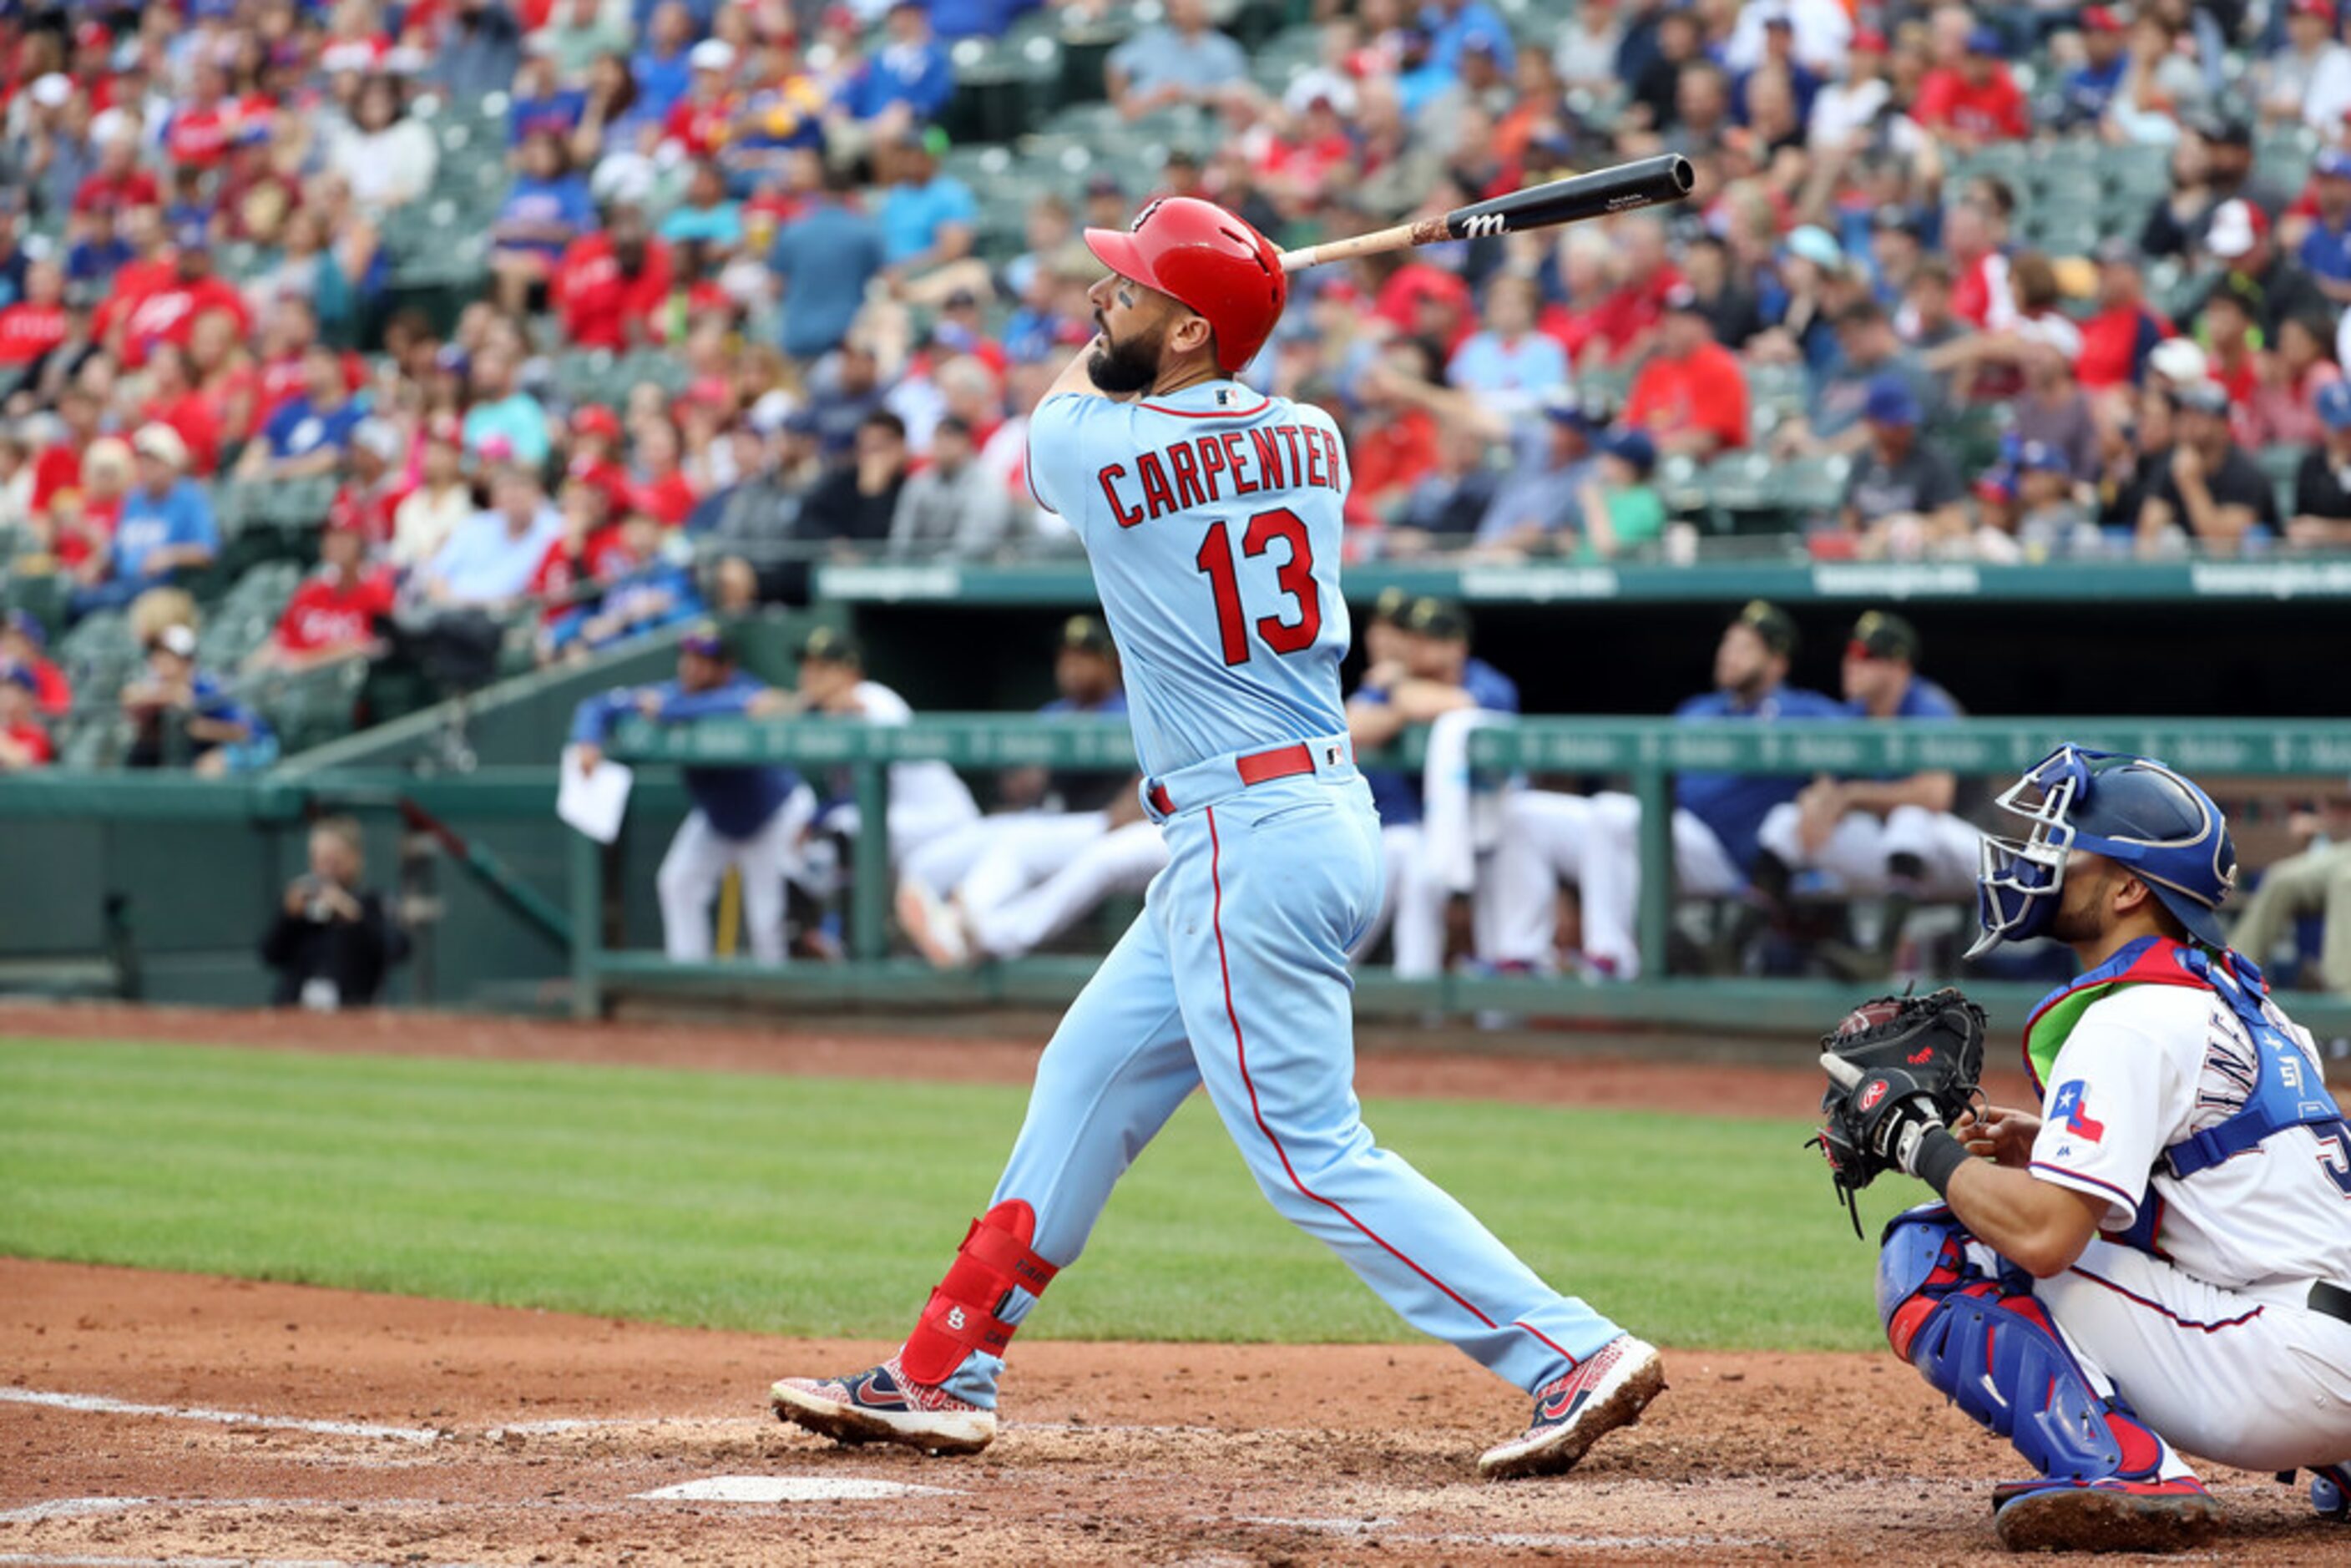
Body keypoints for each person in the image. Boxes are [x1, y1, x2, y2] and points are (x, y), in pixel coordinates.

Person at [769, 195, 1665, 1479]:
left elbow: (1066, 394)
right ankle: (942, 1365)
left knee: (1311, 1153)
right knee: (1084, 1080)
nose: (1101, 303)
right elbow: (1177, 387)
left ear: (1187, 330)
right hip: (1284, 820)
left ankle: (1563, 1348)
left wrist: (1193, 310)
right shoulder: (1314, 434)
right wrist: (1201, 306)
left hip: (1252, 830)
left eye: (1129, 291)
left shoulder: (1097, 450)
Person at [1838, 746, 2351, 1551]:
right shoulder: (2249, 1008)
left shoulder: (2129, 1017)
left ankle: (2120, 1467)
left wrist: (1921, 1143)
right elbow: (2232, 1186)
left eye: (2065, 843)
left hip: (2284, 1375)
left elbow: (2046, 1239)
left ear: (2127, 886)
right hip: (2319, 1346)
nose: (2039, 859)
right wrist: (2053, 1146)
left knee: (1940, 1249)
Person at [1570, 603, 1848, 979]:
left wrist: (1828, 790)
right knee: (1588, 821)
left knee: (1610, 815)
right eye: (1727, 646)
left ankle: (1614, 960)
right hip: (1679, 840)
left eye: (1744, 648)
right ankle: (1612, 962)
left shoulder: (1804, 710)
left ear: (1777, 663)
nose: (1729, 656)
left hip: (1732, 859)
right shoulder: (1698, 709)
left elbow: (1863, 750)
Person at [897, 615, 1142, 969]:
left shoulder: (1129, 710)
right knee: (968, 843)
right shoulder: (1054, 714)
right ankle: (933, 912)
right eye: (1065, 658)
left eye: (1083, 657)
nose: (1071, 667)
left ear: (1108, 662)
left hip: (1098, 824)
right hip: (1045, 820)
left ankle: (959, 924)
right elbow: (1016, 785)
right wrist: (1031, 774)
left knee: (1017, 846)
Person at [1742, 611, 1977, 979]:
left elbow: (1935, 795)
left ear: (1898, 666)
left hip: (1966, 855)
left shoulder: (1929, 706)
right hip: (1899, 863)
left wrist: (1851, 796)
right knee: (1785, 820)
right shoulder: (1855, 715)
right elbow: (1828, 782)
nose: (1851, 665)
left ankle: (1881, 955)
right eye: (1850, 655)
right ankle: (1730, 948)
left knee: (1910, 817)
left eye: (1866, 656)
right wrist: (1817, 801)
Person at [569, 625, 815, 965]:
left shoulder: (745, 688)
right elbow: (597, 706)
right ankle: (691, 976)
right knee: (678, 882)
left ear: (725, 668)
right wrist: (587, 740)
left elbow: (750, 704)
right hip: (716, 816)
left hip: (772, 815)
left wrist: (671, 711)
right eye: (688, 658)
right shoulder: (674, 693)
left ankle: (778, 1007)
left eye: (703, 661)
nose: (690, 667)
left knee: (766, 922)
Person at [1345, 594, 1518, 979]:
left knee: (1503, 937)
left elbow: (1446, 703)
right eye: (1414, 637)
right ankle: (1407, 993)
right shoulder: (1395, 684)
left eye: (1429, 639)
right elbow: (1352, 724)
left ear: (1457, 646)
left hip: (1497, 831)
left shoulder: (1486, 681)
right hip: (1430, 832)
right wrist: (1399, 703)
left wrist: (1400, 693)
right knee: (1409, 866)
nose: (1416, 647)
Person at [774, 625, 980, 872]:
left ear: (851, 672)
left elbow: (856, 707)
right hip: (907, 832)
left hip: (943, 827)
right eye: (807, 666)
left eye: (822, 668)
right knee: (819, 842)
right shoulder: (827, 713)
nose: (809, 676)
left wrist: (804, 705)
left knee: (844, 825)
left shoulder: (875, 697)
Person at [259, 816, 410, 1009]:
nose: (326, 870)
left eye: (334, 861)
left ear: (355, 858)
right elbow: (269, 954)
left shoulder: (373, 902)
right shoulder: (300, 902)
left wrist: (354, 915)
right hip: (297, 1008)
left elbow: (399, 949)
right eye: (320, 860)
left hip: (350, 1010)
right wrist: (288, 917)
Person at [121, 623, 274, 776]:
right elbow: (130, 696)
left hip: (255, 745)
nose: (157, 660)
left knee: (208, 766)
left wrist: (197, 729)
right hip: (202, 748)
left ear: (187, 661)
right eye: (156, 653)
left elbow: (244, 732)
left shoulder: (206, 687)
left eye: (166, 654)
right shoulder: (159, 684)